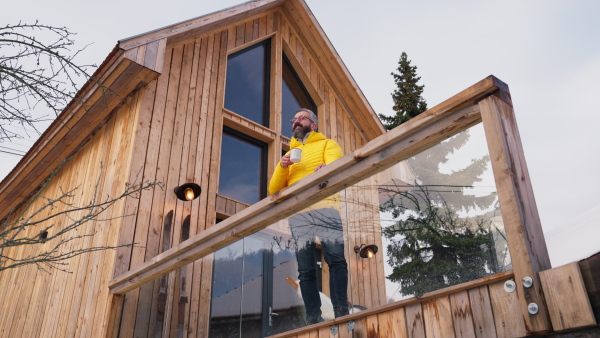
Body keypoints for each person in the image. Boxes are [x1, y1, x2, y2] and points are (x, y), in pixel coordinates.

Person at [269, 108, 349, 325]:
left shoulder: (327, 144)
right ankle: (313, 317)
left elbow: (337, 166)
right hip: (299, 215)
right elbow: (273, 190)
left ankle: (342, 310)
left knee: (336, 260)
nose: (295, 122)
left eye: (300, 118)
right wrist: (282, 167)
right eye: (293, 119)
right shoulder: (289, 154)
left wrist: (326, 168)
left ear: (313, 125)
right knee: (305, 269)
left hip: (326, 208)